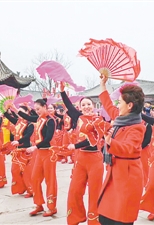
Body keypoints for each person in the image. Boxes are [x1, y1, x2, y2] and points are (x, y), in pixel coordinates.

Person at [97, 75, 146, 225]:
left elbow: (129, 148)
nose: (117, 105)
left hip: (127, 177)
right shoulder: (120, 118)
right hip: (115, 174)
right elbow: (108, 105)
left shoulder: (137, 127)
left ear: (129, 105)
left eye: (120, 102)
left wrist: (110, 141)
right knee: (105, 216)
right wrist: (102, 85)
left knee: (120, 219)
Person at [60, 82, 104, 225]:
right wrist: (62, 91)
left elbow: (92, 141)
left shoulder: (99, 120)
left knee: (95, 192)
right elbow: (69, 106)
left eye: (88, 104)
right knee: (74, 190)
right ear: (80, 108)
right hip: (81, 158)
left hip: (95, 159)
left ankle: (94, 221)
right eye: (83, 105)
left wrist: (75, 145)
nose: (86, 107)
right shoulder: (79, 118)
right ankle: (75, 218)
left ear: (93, 106)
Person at [21, 99, 57, 217]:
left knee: (49, 180)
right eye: (35, 109)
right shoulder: (38, 119)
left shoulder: (50, 121)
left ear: (45, 107)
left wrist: (35, 147)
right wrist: (13, 108)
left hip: (49, 153)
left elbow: (48, 138)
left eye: (38, 109)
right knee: (35, 178)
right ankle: (39, 204)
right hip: (40, 154)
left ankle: (52, 207)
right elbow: (27, 117)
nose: (36, 111)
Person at [5, 105, 35, 197]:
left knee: (26, 172)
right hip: (16, 150)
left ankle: (31, 191)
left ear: (27, 113)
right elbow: (8, 116)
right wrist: (5, 108)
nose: (20, 114)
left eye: (22, 112)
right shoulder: (17, 122)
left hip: (25, 150)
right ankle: (21, 188)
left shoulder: (30, 124)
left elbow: (28, 135)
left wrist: (18, 141)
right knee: (14, 171)